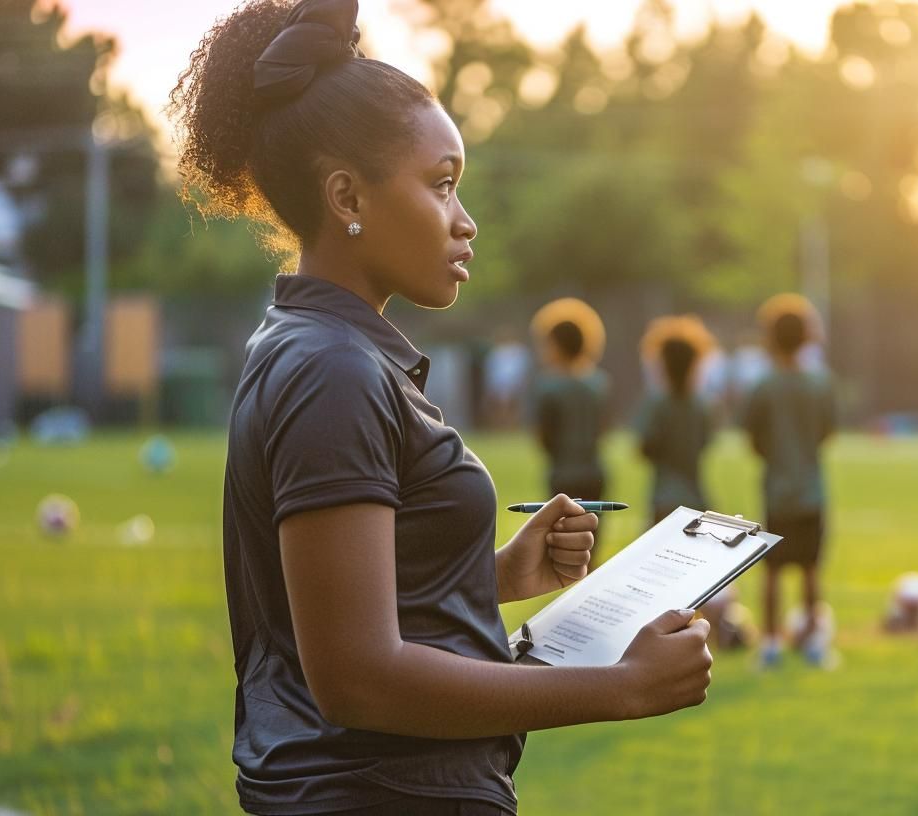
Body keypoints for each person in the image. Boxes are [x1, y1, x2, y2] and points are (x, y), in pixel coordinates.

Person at [176, 2, 712, 812]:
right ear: (347, 195)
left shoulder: (318, 346)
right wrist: (621, 686)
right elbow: (359, 680)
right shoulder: (332, 370)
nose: (466, 222)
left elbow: (343, 611)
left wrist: (491, 577)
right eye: (441, 185)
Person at [744, 294, 837, 668]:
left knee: (772, 569)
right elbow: (826, 432)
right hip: (811, 488)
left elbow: (754, 437)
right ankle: (814, 643)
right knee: (811, 569)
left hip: (778, 489)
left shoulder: (763, 386)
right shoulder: (820, 383)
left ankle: (770, 643)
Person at [531, 297, 609, 524]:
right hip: (594, 472)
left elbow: (545, 437)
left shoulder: (548, 387)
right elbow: (603, 428)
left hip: (563, 474)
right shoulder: (598, 383)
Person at [635, 315, 716, 525]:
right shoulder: (703, 406)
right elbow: (706, 442)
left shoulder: (657, 405)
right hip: (695, 496)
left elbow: (645, 447)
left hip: (663, 496)